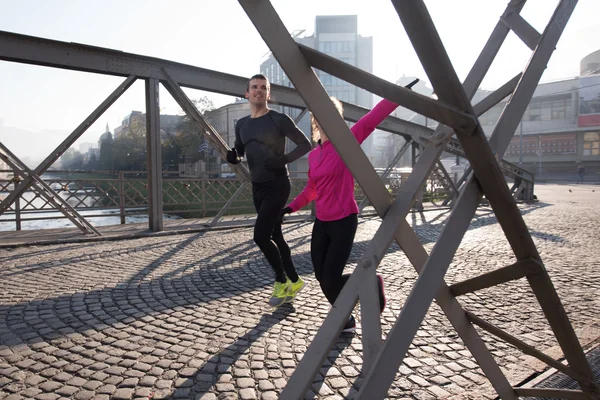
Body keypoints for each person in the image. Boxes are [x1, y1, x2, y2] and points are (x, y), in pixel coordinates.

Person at [280, 95, 406, 333]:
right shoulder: (315, 154)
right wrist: (291, 207)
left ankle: (365, 288)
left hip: (343, 220)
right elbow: (312, 189)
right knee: (321, 276)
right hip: (322, 222)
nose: (323, 119)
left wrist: (395, 95)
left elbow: (371, 120)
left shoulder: (346, 142)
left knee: (330, 278)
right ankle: (347, 317)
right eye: (319, 115)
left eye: (330, 114)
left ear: (336, 117)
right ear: (315, 121)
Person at [226, 74, 312, 308]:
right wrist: (234, 157)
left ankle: (281, 281)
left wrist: (282, 160)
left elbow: (306, 144)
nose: (258, 91)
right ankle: (295, 280)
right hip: (258, 186)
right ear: (247, 93)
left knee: (260, 236)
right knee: (275, 236)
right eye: (254, 87)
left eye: (263, 88)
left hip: (277, 184)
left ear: (268, 94)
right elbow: (240, 150)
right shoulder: (242, 124)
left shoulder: (278, 119)